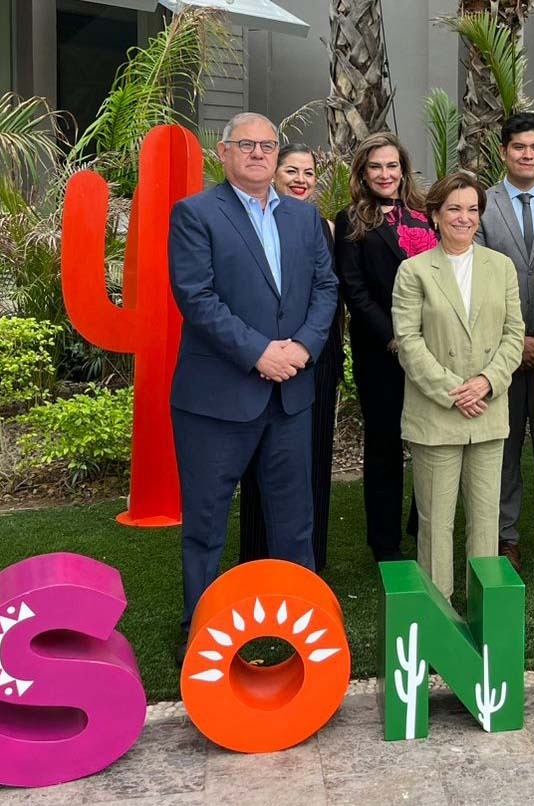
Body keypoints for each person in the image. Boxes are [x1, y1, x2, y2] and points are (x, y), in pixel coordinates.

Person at [168, 112, 338, 657]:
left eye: (268, 145)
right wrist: (259, 352)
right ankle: (200, 632)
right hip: (217, 401)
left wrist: (305, 347)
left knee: (295, 523)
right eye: (247, 145)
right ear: (224, 153)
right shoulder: (196, 214)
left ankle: (304, 629)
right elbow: (196, 298)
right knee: (206, 526)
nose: (259, 154)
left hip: (290, 396)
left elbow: (326, 287)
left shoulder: (304, 218)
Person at [392, 172, 524, 597]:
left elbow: (515, 334)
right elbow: (408, 341)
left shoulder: (501, 267)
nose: (464, 218)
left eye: (472, 209)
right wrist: (455, 391)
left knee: (486, 520)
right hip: (437, 414)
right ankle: (439, 609)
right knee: (435, 522)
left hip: (488, 410)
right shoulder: (413, 271)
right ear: (435, 215)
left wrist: (486, 382)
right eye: (454, 209)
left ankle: (483, 609)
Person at [239, 144, 343, 572]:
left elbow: (330, 292)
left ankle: (309, 564)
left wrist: (308, 347)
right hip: (265, 358)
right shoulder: (251, 223)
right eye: (292, 171)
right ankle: (255, 559)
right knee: (260, 460)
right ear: (274, 173)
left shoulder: (326, 227)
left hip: (317, 357)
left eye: (309, 172)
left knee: (312, 460)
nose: (301, 180)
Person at [476, 112, 534, 573]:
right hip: (499, 353)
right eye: (518, 147)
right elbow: (475, 279)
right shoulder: (481, 205)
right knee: (504, 447)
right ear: (503, 152)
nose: (527, 155)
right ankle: (505, 535)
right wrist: (516, 343)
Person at [334, 132, 430, 562]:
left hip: (433, 350)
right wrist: (395, 339)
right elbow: (354, 291)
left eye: (392, 165)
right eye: (376, 166)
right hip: (381, 350)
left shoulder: (426, 214)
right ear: (363, 172)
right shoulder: (351, 219)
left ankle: (423, 529)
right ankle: (385, 542)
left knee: (431, 443)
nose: (385, 174)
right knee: (385, 445)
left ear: (403, 169)